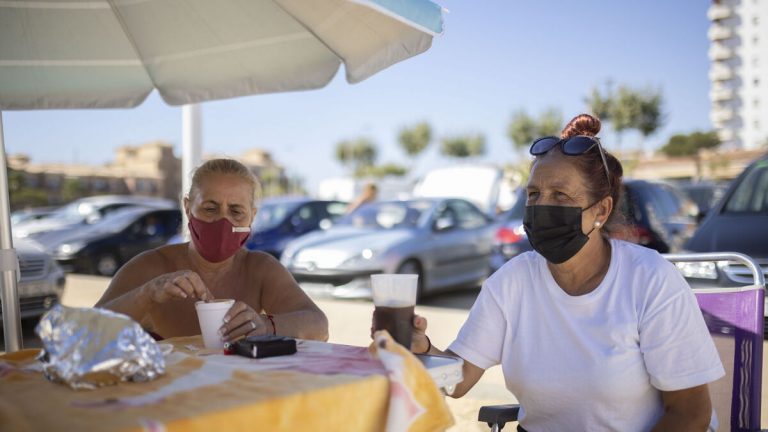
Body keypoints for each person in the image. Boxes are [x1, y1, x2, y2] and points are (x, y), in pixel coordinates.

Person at [393, 114, 724, 431]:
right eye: (533, 194)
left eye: (560, 195)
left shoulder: (650, 279)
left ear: (601, 210)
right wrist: (422, 350)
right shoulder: (512, 282)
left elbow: (691, 414)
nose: (541, 206)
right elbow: (458, 379)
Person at [96, 158, 328, 343]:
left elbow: (318, 326)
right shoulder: (152, 266)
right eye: (210, 208)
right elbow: (86, 330)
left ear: (252, 216)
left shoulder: (259, 268)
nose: (223, 221)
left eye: (236, 211)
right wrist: (146, 294)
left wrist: (266, 326)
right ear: (188, 208)